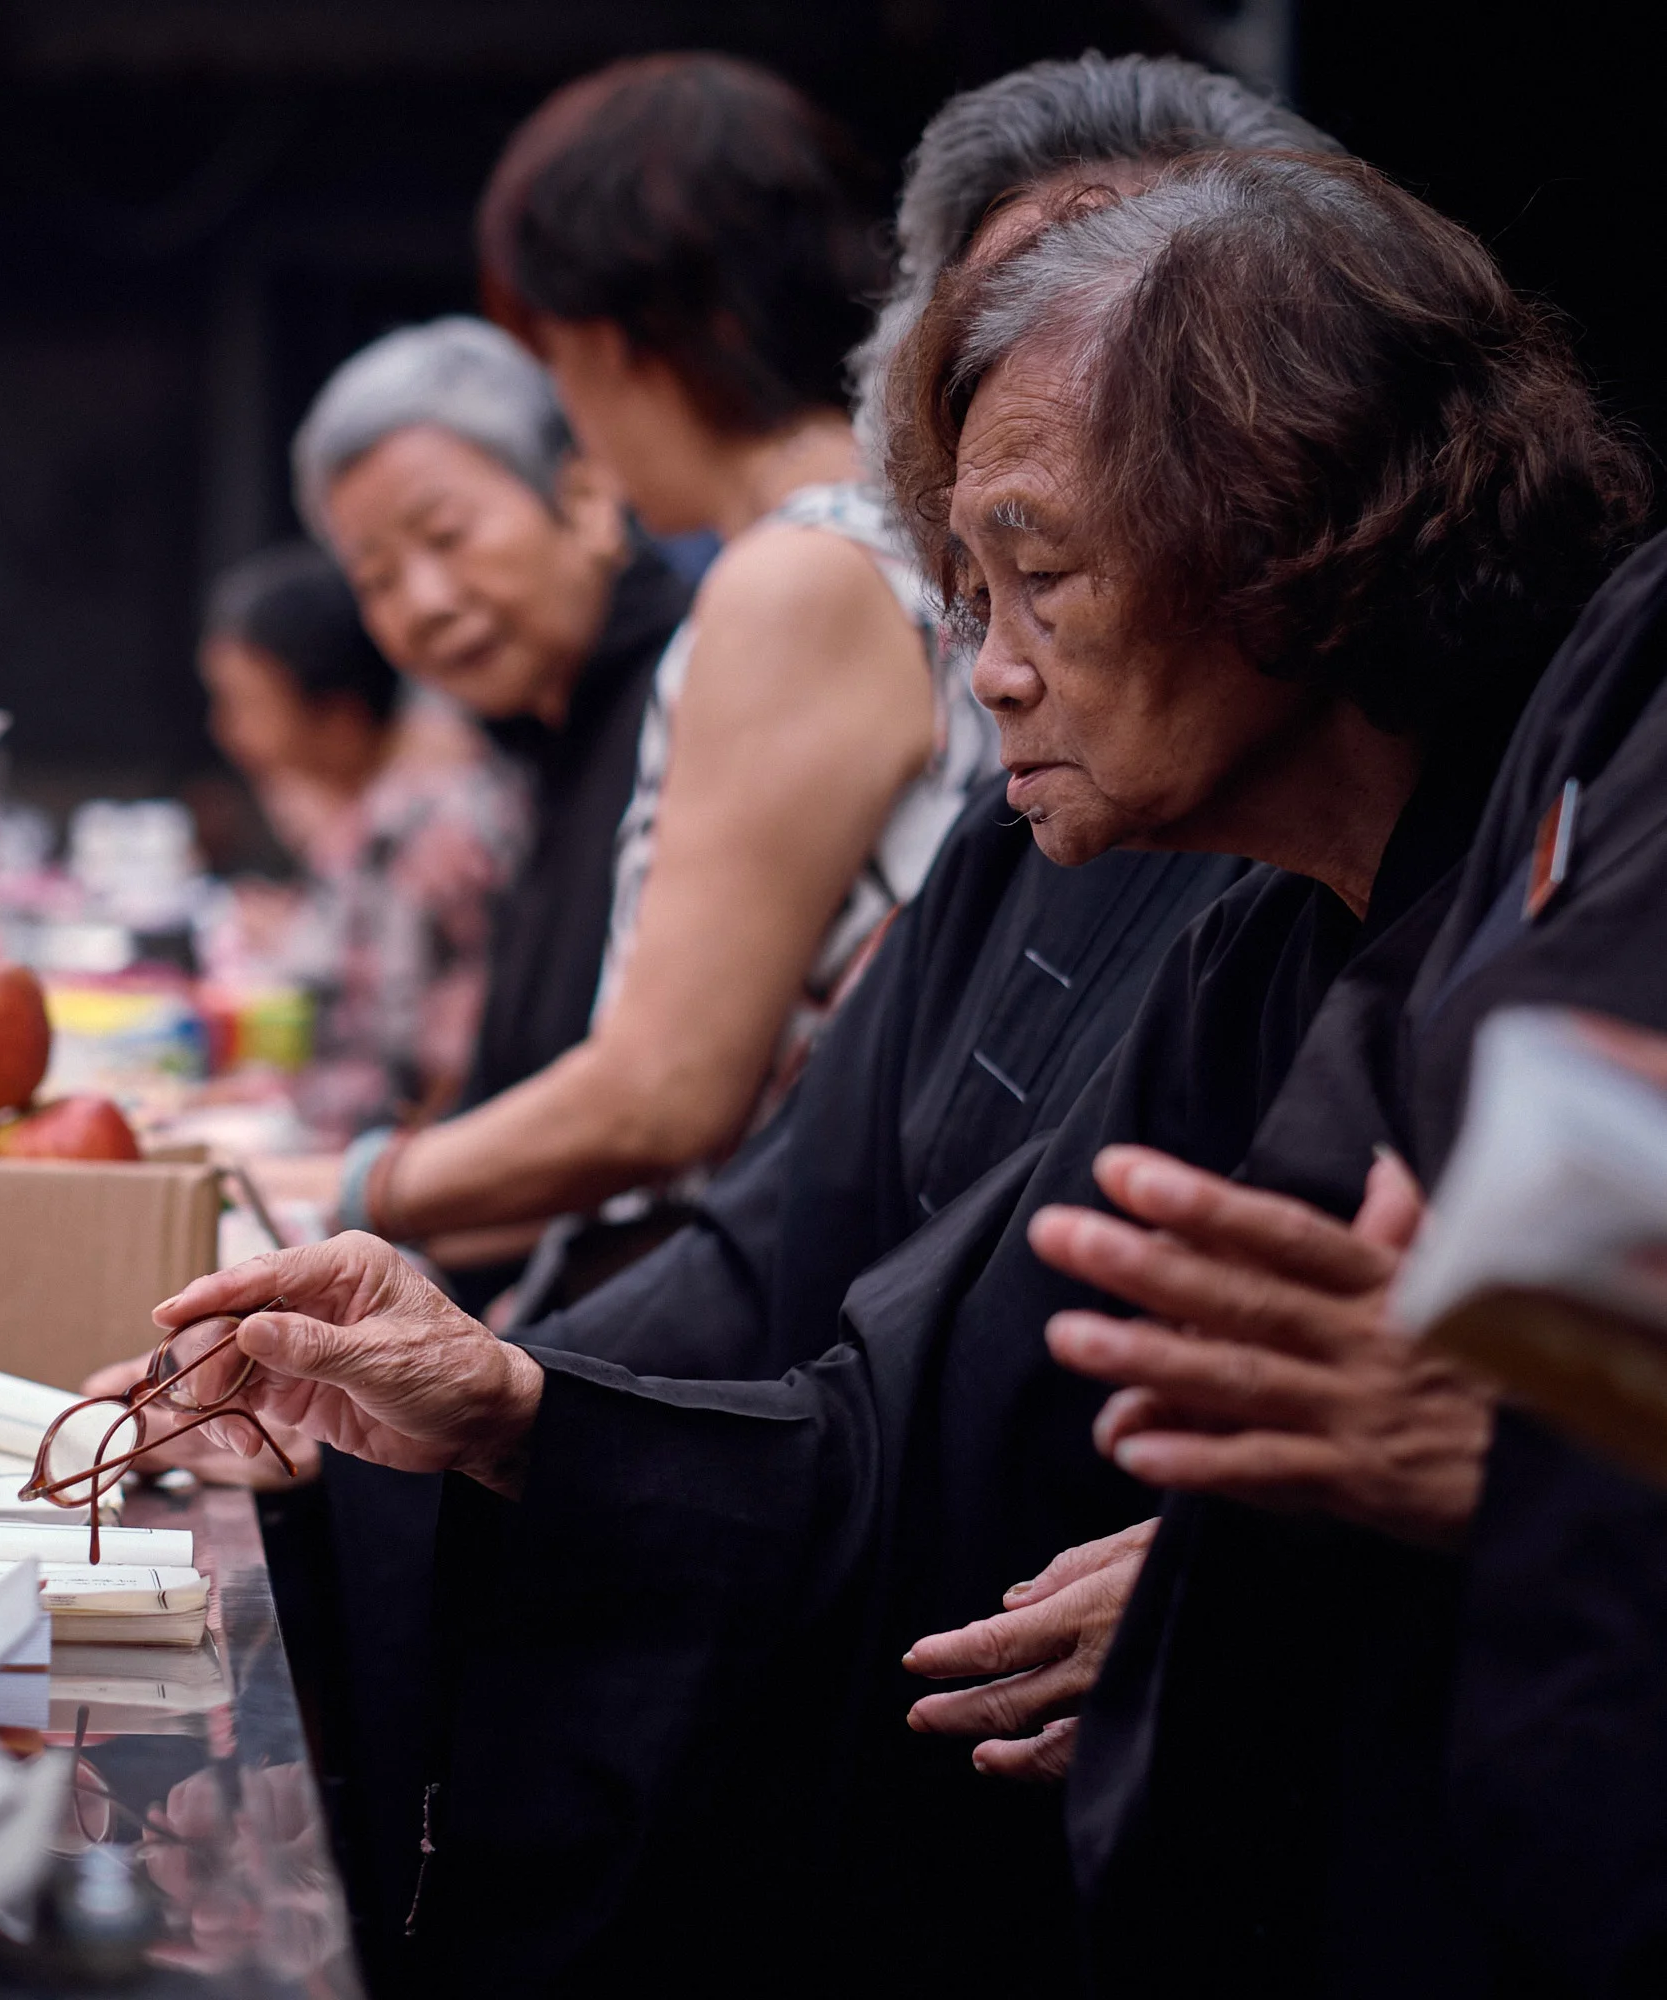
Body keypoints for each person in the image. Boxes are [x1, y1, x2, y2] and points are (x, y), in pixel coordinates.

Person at [143, 151, 1645, 1995]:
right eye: (969, 591)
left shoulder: (1609, 769)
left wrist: (1460, 1496)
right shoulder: (1245, 936)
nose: (990, 676)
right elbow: (918, 1432)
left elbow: (1503, 1465)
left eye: (1041, 576)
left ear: (1284, 522)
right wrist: (516, 1403)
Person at [1007, 533, 1667, 1995]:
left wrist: (1550, 1458)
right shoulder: (1632, 649)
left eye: (1042, 581)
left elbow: (1508, 1409)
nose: (994, 669)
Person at [336, 55, 982, 1313]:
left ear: (624, 339)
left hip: (766, 1308)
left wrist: (358, 1187)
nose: (569, 413)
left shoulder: (796, 573)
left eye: (558, 360)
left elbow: (665, 1094)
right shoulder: (882, 529)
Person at [291, 315, 690, 1301]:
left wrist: (345, 1190)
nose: (420, 602)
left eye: (447, 535)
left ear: (588, 497)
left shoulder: (690, 697)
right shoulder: (538, 748)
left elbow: (652, 1121)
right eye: (376, 578)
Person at [197, 542, 524, 1134]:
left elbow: (441, 1078)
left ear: (339, 718)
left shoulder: (431, 839)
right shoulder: (365, 823)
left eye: (245, 703)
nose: (227, 730)